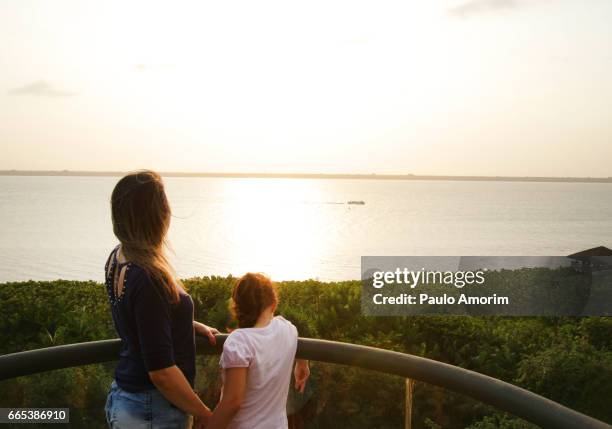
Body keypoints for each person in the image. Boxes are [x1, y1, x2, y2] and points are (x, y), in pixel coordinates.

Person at [104, 170, 218, 428]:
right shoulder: (149, 277)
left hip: (126, 397)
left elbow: (140, 322)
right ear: (156, 215)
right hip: (152, 410)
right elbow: (162, 372)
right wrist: (205, 414)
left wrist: (185, 322)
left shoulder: (118, 258)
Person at [204, 273, 310, 429]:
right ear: (273, 304)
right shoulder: (286, 329)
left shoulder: (239, 341)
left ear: (236, 306)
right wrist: (303, 362)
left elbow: (232, 402)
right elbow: (296, 335)